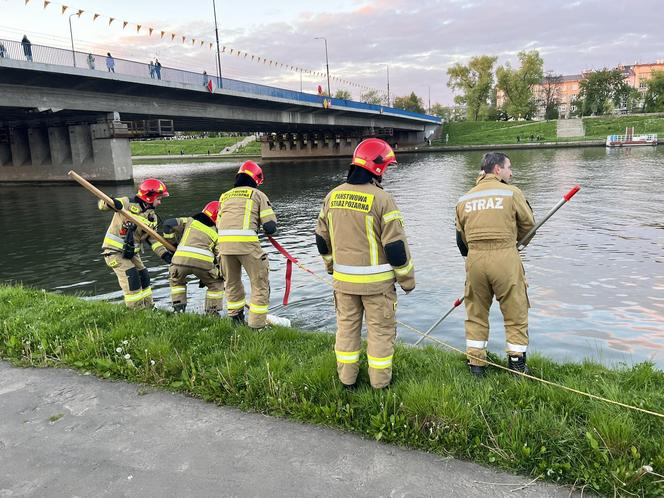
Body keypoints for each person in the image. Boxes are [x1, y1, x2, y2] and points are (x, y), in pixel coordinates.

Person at [315, 138, 415, 390]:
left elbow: (321, 240)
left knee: (346, 330)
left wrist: (330, 267)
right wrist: (407, 281)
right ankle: (379, 385)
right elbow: (395, 247)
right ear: (378, 168)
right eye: (387, 167)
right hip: (377, 286)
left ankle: (347, 381)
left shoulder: (332, 196)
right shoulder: (382, 199)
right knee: (380, 333)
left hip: (344, 283)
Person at [454, 152, 535, 376]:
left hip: (475, 260)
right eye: (509, 167)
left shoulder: (464, 199)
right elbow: (529, 227)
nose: (511, 172)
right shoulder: (511, 193)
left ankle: (476, 364)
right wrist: (514, 241)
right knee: (515, 311)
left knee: (476, 313)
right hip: (505, 258)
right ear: (497, 170)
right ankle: (517, 364)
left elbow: (460, 240)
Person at [216, 161, 277, 328]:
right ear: (256, 179)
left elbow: (219, 223)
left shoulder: (224, 196)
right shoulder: (258, 195)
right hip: (247, 246)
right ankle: (257, 327)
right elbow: (270, 227)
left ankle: (236, 321)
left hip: (224, 247)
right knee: (260, 284)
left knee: (232, 283)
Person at [98, 179, 172, 309]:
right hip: (114, 251)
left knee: (144, 276)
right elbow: (102, 205)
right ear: (149, 197)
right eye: (159, 198)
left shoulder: (152, 217)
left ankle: (149, 308)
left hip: (131, 252)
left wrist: (165, 255)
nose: (160, 202)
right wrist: (110, 203)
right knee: (131, 277)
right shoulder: (126, 203)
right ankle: (136, 311)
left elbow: (152, 239)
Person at [163, 201, 224, 315]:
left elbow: (168, 224)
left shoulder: (189, 221)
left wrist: (173, 245)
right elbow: (220, 256)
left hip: (179, 261)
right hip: (203, 265)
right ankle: (212, 313)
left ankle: (178, 311)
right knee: (216, 284)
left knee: (177, 283)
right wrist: (220, 274)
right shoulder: (217, 233)